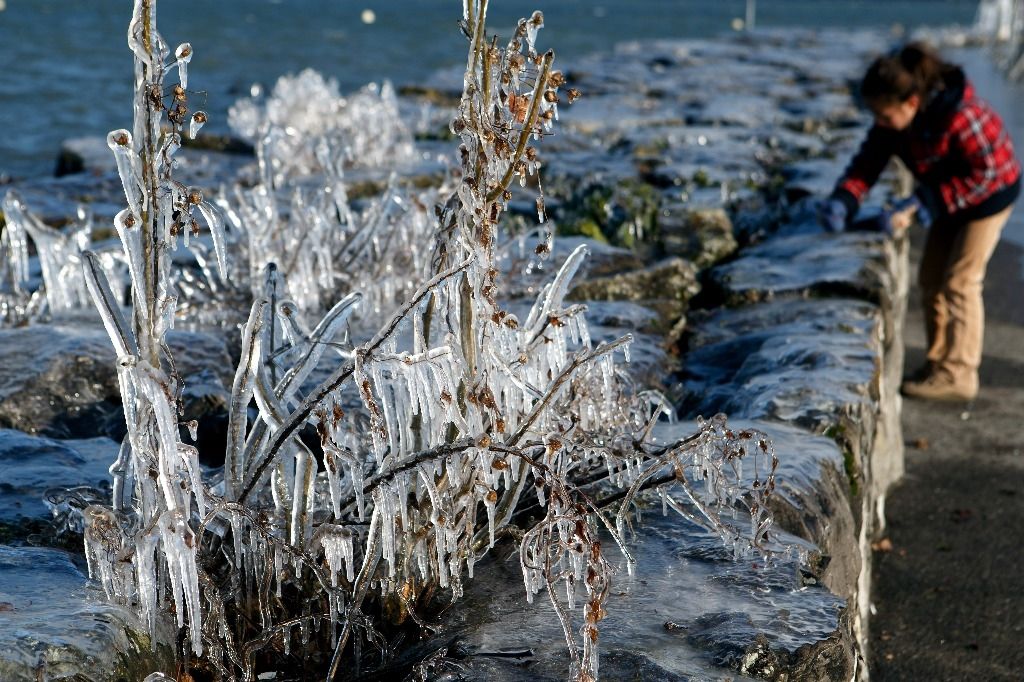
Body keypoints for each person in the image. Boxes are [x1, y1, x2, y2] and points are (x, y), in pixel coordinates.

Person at [819, 42, 1021, 401]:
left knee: (960, 280)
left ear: (910, 102)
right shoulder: (894, 123)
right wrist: (845, 199)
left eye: (884, 116)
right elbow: (868, 163)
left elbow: (986, 174)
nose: (880, 124)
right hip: (947, 195)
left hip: (991, 194)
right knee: (930, 278)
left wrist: (922, 201)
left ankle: (958, 375)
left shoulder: (963, 114)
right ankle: (936, 363)